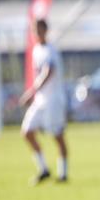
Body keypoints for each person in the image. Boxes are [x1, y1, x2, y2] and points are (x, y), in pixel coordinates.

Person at [19, 19, 68, 184]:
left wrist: (31, 92)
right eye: (34, 30)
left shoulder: (50, 50)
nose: (36, 33)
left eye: (39, 30)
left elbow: (48, 71)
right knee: (27, 132)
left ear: (45, 30)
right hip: (40, 101)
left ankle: (63, 173)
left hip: (53, 100)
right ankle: (44, 169)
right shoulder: (36, 50)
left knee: (57, 136)